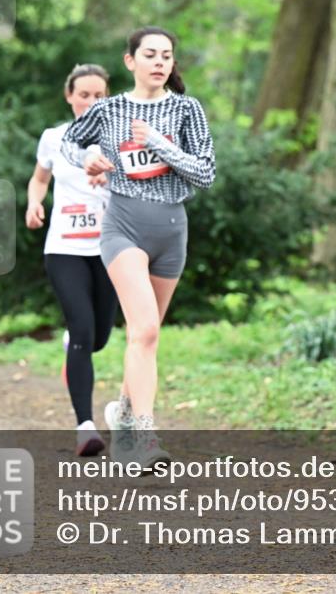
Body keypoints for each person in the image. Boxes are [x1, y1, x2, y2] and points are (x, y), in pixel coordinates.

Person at [60, 26, 215, 468]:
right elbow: (70, 142)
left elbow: (205, 173)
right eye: (150, 54)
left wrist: (160, 143)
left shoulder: (187, 110)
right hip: (123, 228)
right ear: (131, 61)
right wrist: (85, 158)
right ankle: (144, 438)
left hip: (172, 232)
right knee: (143, 330)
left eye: (167, 55)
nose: (160, 62)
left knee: (147, 336)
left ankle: (124, 410)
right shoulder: (109, 111)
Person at [25, 64, 117, 457]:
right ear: (70, 96)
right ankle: (86, 428)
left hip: (112, 248)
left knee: (98, 338)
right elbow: (40, 179)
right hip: (64, 248)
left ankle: (75, 343)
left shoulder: (120, 139)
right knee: (81, 330)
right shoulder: (54, 137)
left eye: (100, 95)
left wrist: (110, 177)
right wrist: (34, 202)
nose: (92, 102)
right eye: (84, 95)